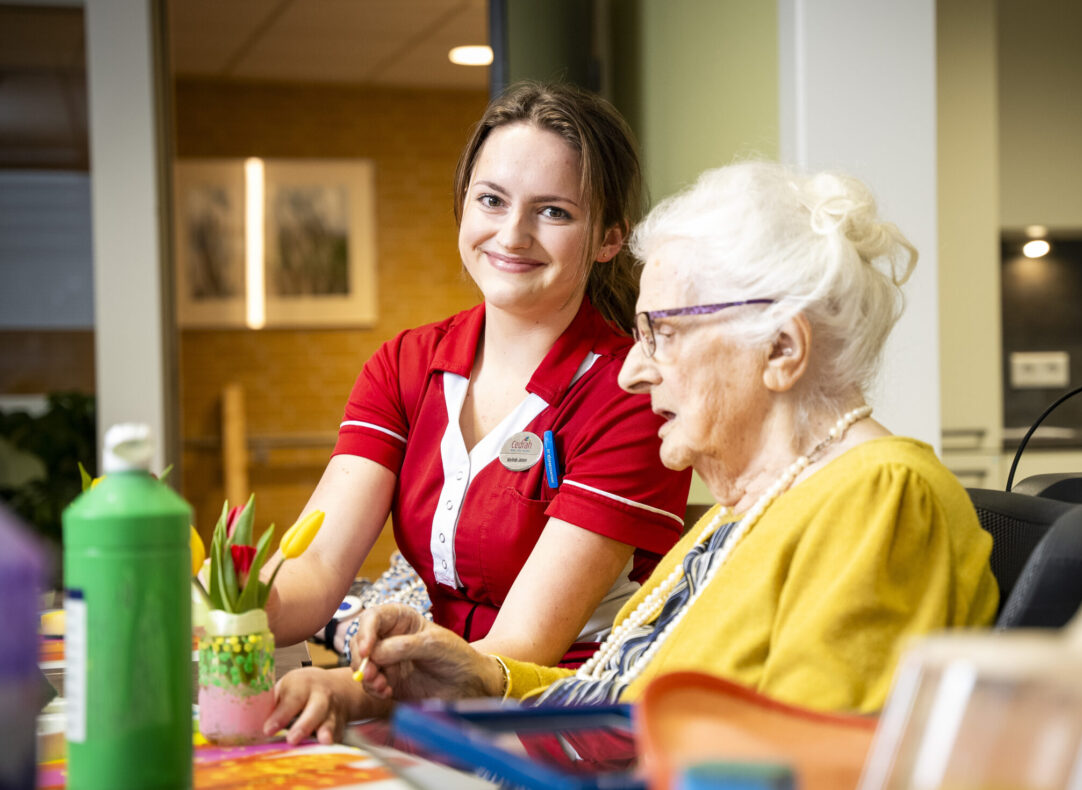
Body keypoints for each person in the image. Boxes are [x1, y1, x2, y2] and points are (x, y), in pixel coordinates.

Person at [266, 160, 999, 745]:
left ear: (781, 348)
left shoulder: (879, 496)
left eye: (663, 334)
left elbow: (807, 764)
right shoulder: (752, 508)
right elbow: (624, 697)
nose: (631, 370)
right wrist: (478, 680)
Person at [264, 82, 692, 669]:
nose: (512, 234)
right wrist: (230, 605)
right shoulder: (404, 366)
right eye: (492, 200)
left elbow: (521, 649)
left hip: (572, 699)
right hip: (436, 685)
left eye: (553, 211)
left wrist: (348, 692)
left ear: (609, 239)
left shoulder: (633, 394)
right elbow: (316, 565)